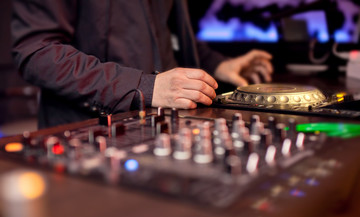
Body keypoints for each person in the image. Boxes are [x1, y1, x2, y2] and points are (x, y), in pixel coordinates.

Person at [11, 0, 273, 128]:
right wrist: (146, 87)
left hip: (164, 127)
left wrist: (218, 65)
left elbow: (166, 36)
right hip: (93, 134)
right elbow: (37, 51)